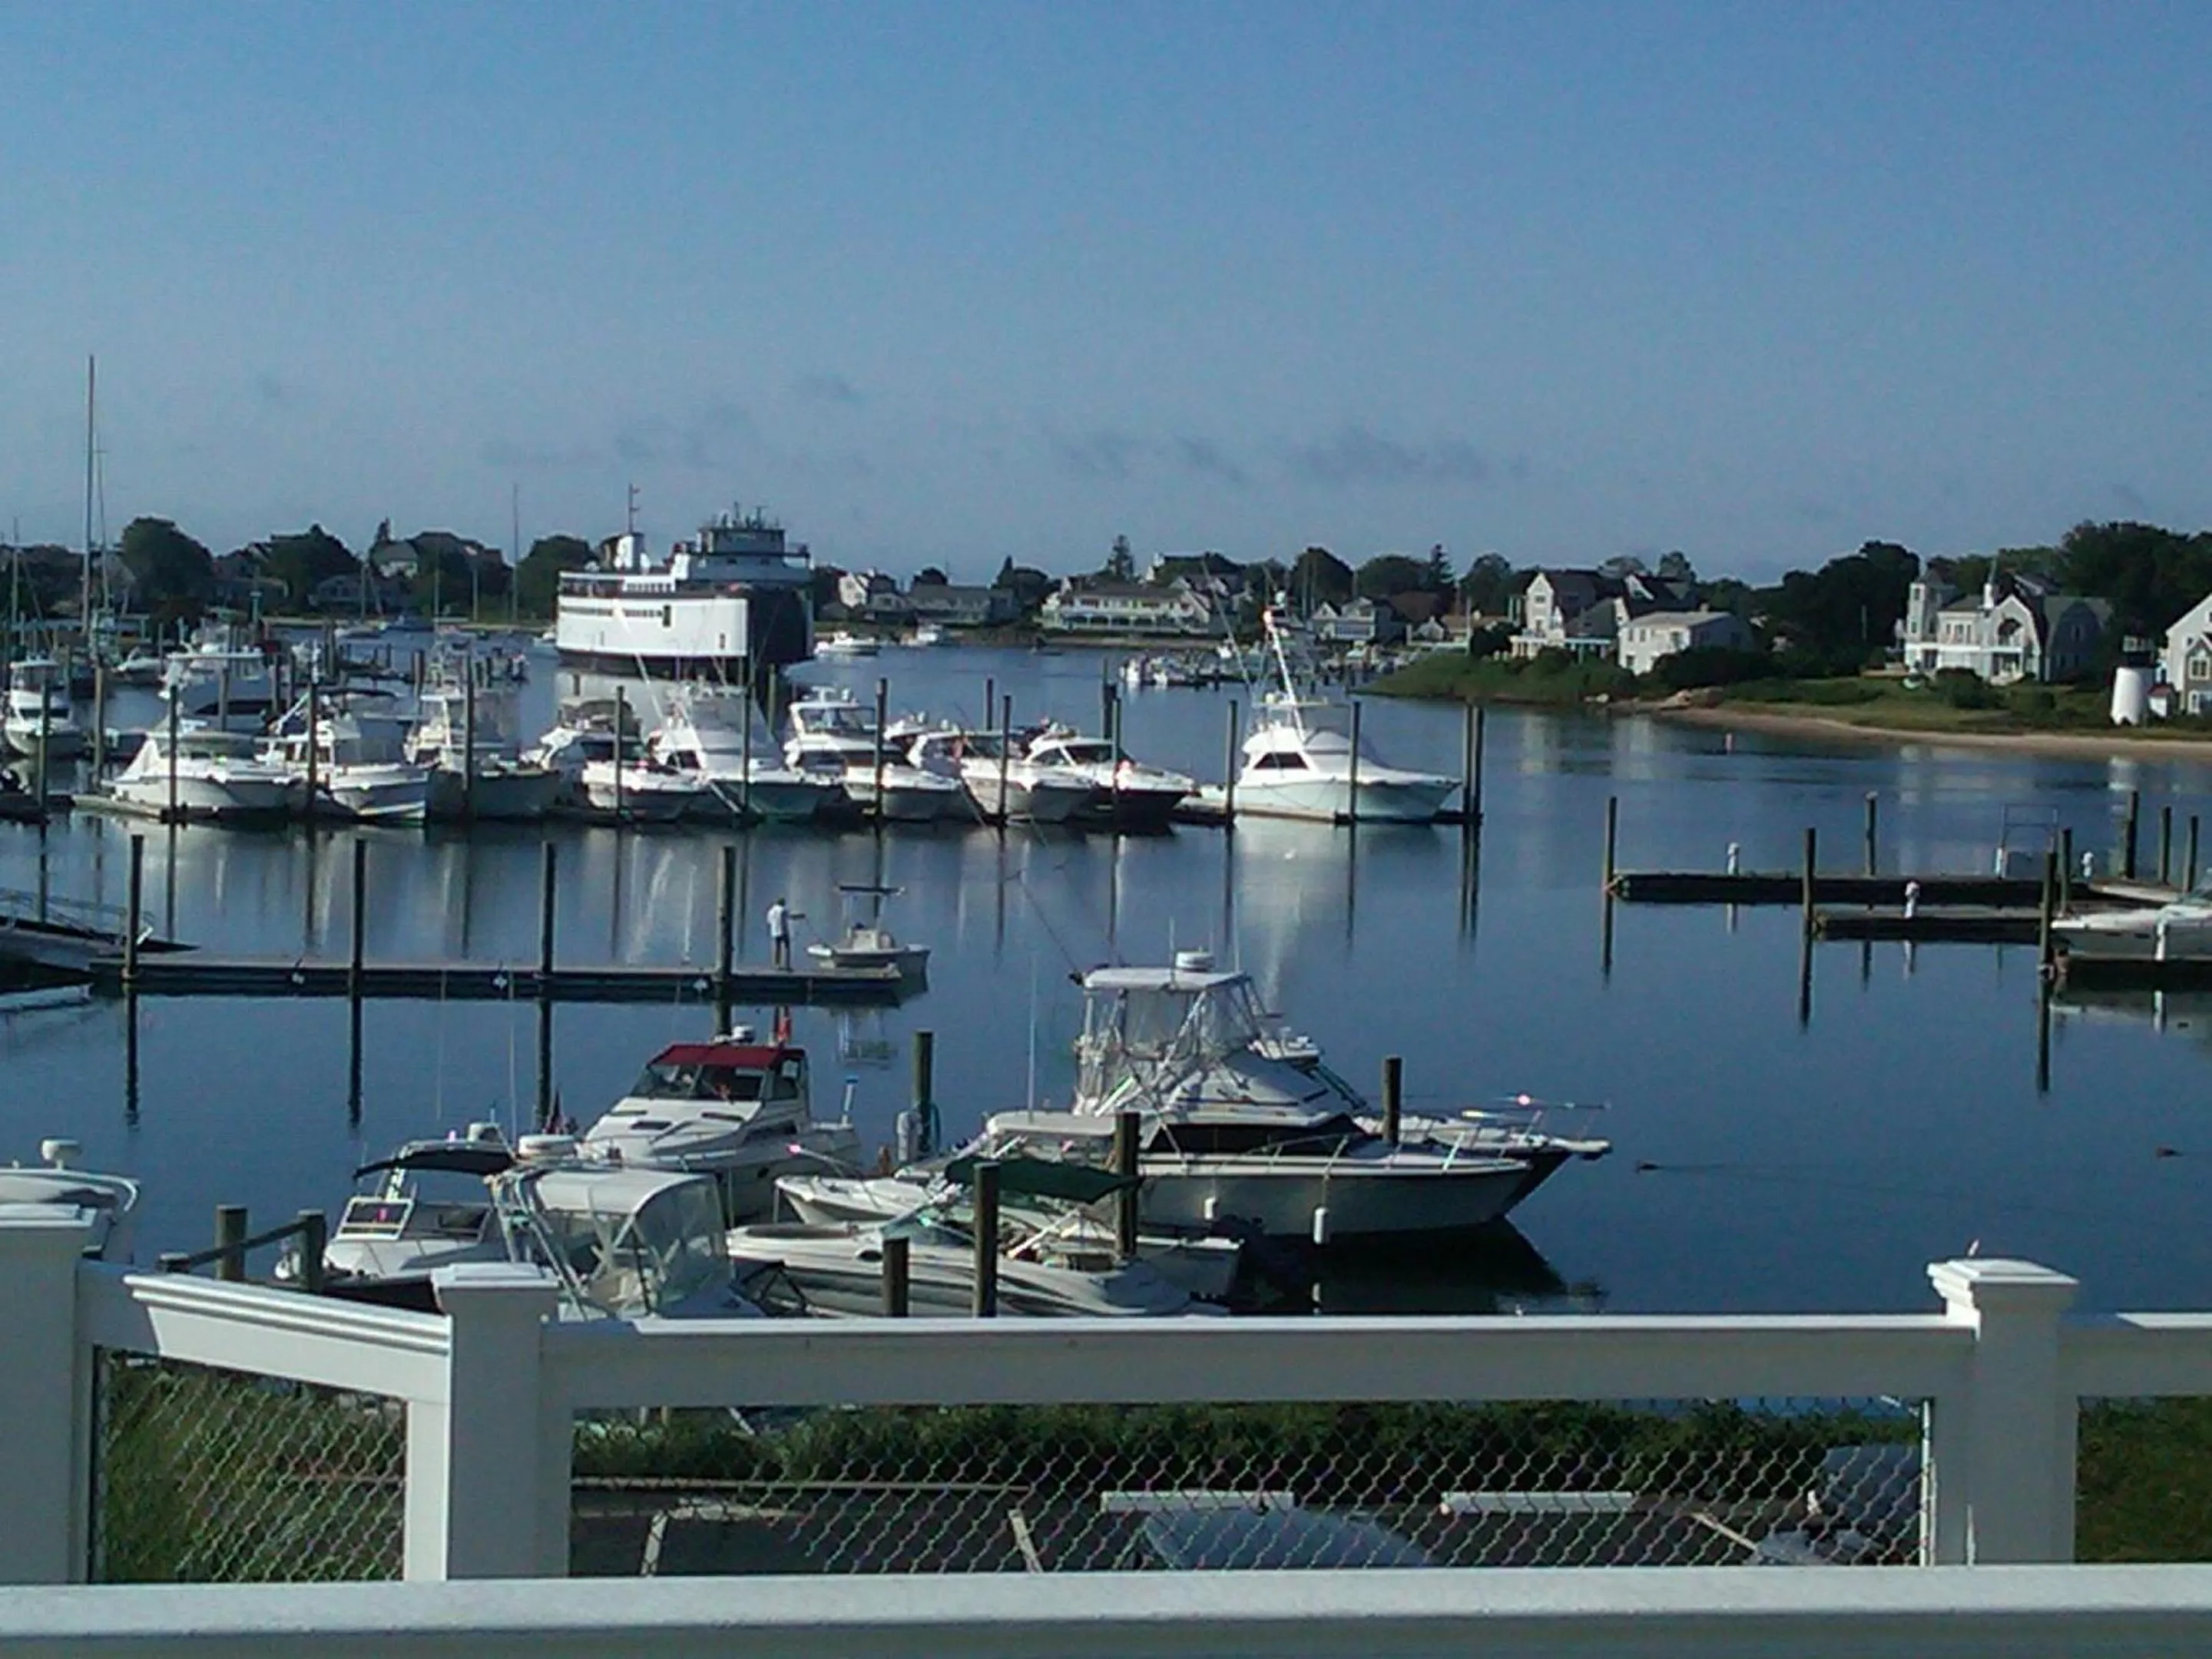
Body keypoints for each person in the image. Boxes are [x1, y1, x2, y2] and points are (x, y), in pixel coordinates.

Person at [767, 896, 802, 969]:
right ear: (782, 903)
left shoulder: (771, 911)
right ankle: (787, 965)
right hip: (783, 931)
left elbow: (769, 922)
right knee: (787, 948)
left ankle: (777, 965)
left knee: (777, 948)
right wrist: (801, 916)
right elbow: (791, 916)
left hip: (775, 932)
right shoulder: (782, 910)